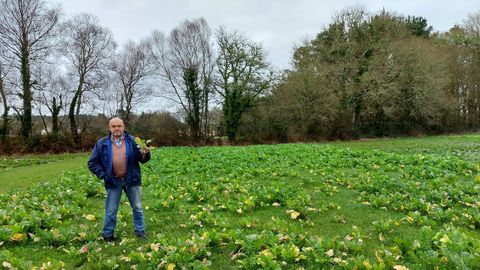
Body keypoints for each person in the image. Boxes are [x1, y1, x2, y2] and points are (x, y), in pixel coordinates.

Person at [87, 117, 151, 241]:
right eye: (114, 126)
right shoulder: (101, 143)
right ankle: (108, 235)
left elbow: (142, 160)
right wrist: (104, 176)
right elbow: (92, 163)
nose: (117, 128)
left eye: (119, 126)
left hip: (131, 180)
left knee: (137, 207)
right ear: (109, 128)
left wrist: (145, 153)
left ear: (123, 127)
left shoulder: (133, 141)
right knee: (111, 210)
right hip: (113, 181)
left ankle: (140, 232)